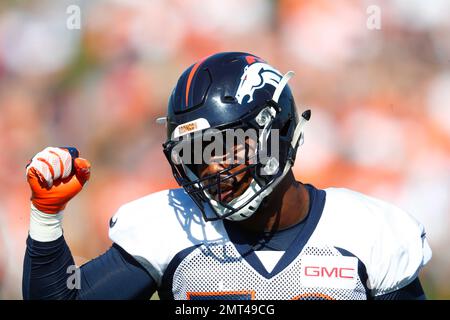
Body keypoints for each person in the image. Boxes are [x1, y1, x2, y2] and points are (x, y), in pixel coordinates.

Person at [23, 52, 431, 300]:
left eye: (228, 145)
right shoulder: (168, 227)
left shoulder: (366, 231)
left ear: (276, 132)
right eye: (196, 154)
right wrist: (46, 217)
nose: (212, 166)